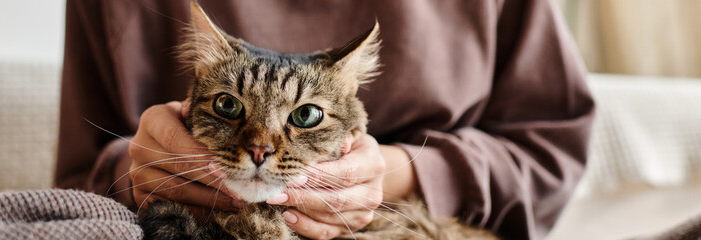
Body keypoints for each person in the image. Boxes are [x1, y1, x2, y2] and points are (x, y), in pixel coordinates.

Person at [55, 0, 595, 239]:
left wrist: (392, 173)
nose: (260, 146)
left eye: (304, 117)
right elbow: (78, 178)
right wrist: (137, 166)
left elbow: (550, 150)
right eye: (229, 108)